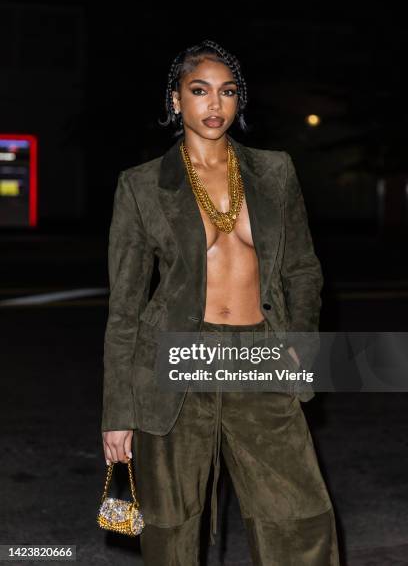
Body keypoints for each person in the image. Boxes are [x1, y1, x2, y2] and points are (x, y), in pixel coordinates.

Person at [101, 39, 340, 565]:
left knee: (297, 513)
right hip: (177, 359)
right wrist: (117, 412)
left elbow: (303, 269)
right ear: (175, 101)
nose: (215, 104)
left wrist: (300, 343)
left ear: (239, 101)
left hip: (260, 352)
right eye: (200, 91)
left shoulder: (274, 172)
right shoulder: (141, 186)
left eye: (227, 92)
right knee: (172, 524)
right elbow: (124, 308)